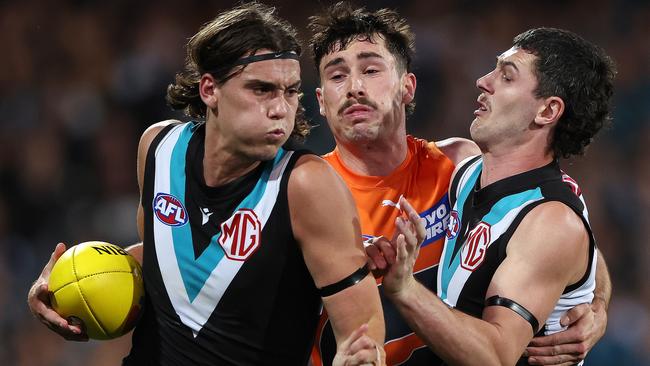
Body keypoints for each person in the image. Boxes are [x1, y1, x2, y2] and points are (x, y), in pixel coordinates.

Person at [27, 3, 385, 365]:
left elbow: (363, 330)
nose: (280, 109)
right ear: (210, 89)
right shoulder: (158, 149)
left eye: (290, 91)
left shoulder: (305, 185)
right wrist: (65, 288)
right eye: (261, 90)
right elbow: (165, 265)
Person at [308, 3, 611, 365]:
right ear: (321, 101)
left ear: (407, 87)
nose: (355, 87)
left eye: (371, 70)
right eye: (337, 76)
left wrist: (594, 306)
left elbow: (566, 236)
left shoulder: (452, 165)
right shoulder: (303, 193)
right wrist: (592, 298)